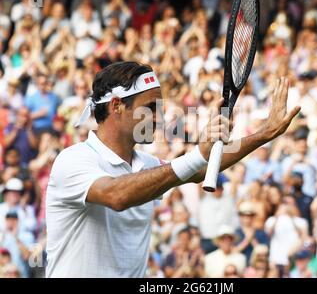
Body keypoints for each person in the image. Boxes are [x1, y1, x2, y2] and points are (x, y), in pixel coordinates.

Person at [45, 61, 300, 277]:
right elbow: (116, 196)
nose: (158, 118)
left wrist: (263, 134)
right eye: (150, 109)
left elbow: (200, 169)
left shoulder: (145, 165)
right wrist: (198, 152)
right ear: (116, 106)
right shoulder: (73, 160)